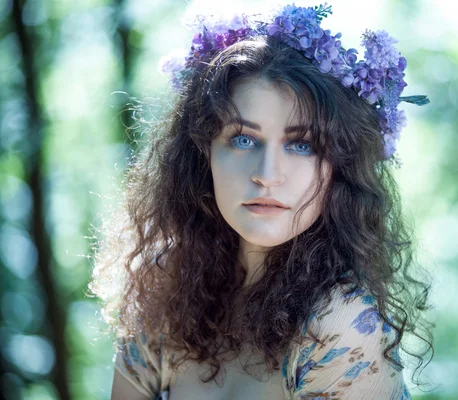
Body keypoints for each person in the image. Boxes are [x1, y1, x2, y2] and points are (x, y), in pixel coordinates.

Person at [90, 3, 433, 399]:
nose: (267, 174)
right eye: (243, 139)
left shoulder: (342, 324)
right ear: (203, 153)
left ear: (340, 167)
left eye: (303, 145)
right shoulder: (163, 288)